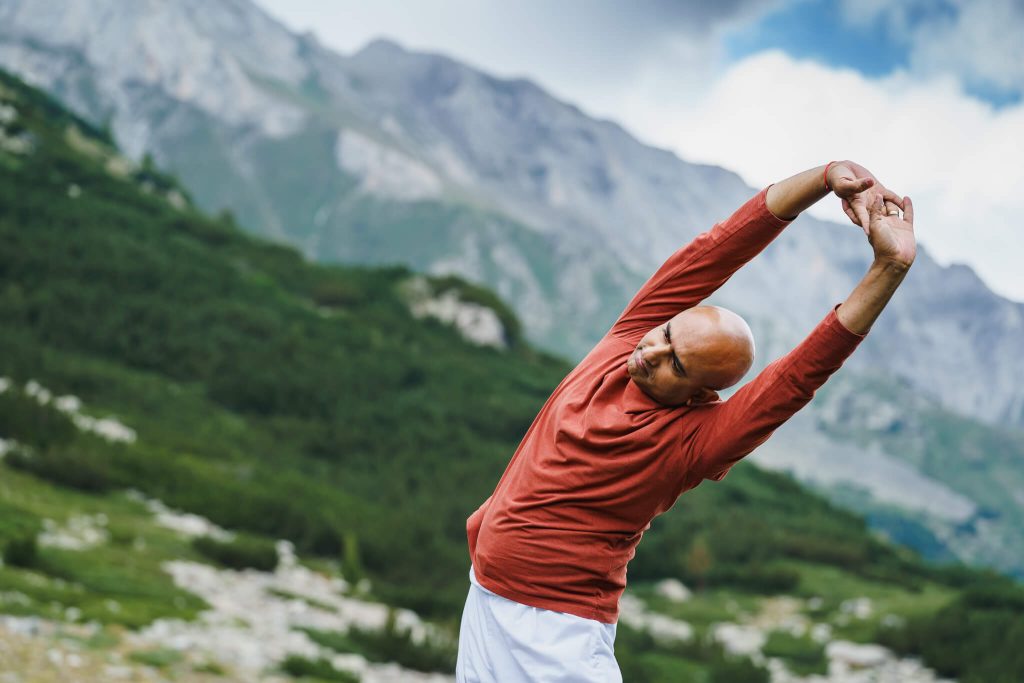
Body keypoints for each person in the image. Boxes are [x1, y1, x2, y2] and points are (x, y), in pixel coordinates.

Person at [455, 161, 915, 682]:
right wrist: (824, 177)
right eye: (667, 333)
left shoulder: (692, 441)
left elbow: (798, 377)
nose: (653, 351)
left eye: (676, 362)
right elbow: (720, 248)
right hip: (487, 596)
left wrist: (889, 267)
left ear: (702, 394)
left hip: (555, 631)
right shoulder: (629, 337)